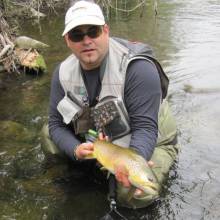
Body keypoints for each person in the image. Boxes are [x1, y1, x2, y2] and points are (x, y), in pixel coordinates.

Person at [43, 0, 179, 209]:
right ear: (67, 40)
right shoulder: (62, 73)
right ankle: (81, 176)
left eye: (93, 32)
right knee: (47, 137)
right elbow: (55, 124)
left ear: (106, 31)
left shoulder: (138, 68)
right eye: (77, 35)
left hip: (151, 139)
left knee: (134, 193)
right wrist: (76, 150)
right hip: (100, 139)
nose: (86, 40)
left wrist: (133, 164)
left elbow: (146, 129)